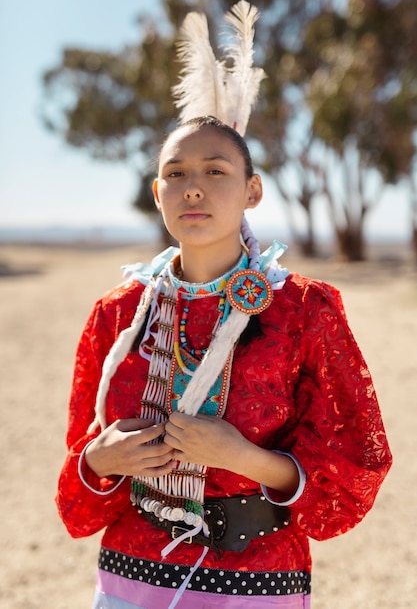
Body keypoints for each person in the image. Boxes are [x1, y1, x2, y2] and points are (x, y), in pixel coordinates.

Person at [57, 115, 392, 609]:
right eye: (176, 173)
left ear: (252, 190)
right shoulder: (120, 313)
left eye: (215, 171)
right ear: (157, 192)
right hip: (131, 575)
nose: (193, 189)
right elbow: (79, 479)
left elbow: (356, 467)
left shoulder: (301, 309)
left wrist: (241, 458)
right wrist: (100, 460)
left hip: (256, 581)